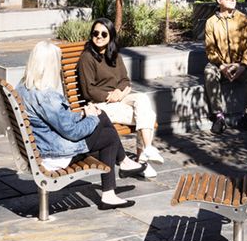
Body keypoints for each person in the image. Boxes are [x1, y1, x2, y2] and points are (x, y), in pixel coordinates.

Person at [17, 41, 153, 209]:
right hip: (55, 154)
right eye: (57, 62)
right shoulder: (46, 96)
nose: (59, 67)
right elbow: (72, 132)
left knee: (100, 114)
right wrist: (90, 117)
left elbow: (56, 120)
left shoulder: (23, 87)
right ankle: (118, 174)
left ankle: (121, 168)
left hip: (43, 145)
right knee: (108, 135)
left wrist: (83, 113)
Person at [77, 18, 164, 169]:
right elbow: (88, 91)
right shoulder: (87, 57)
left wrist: (119, 92)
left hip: (119, 98)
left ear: (110, 36)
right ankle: (143, 160)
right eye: (95, 33)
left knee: (142, 98)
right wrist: (110, 96)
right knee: (148, 115)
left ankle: (147, 150)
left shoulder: (114, 55)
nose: (99, 36)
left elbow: (125, 80)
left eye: (104, 34)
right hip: (100, 105)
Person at [203, 0, 247, 135]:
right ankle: (218, 116)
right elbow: (210, 49)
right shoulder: (211, 22)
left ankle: (246, 116)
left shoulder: (243, 19)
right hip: (220, 65)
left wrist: (242, 65)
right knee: (209, 72)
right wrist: (221, 66)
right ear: (219, 0)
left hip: (239, 65)